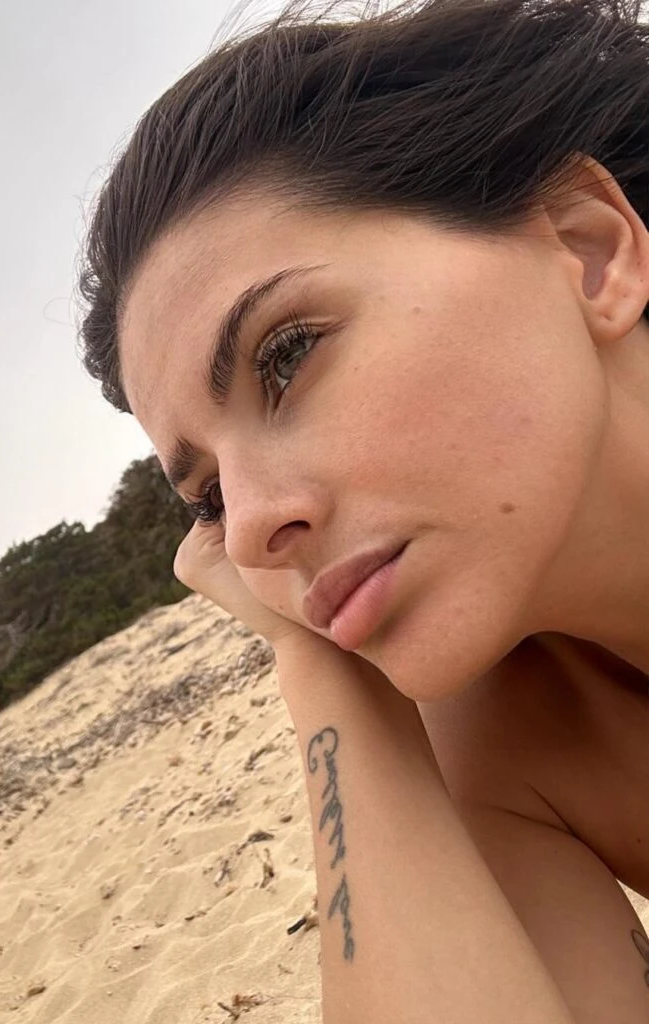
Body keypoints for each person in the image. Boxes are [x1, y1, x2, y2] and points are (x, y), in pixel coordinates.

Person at [76, 0, 649, 1019]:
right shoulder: (511, 734)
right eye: (208, 497)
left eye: (286, 356)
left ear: (588, 249)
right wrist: (326, 678)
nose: (249, 530)